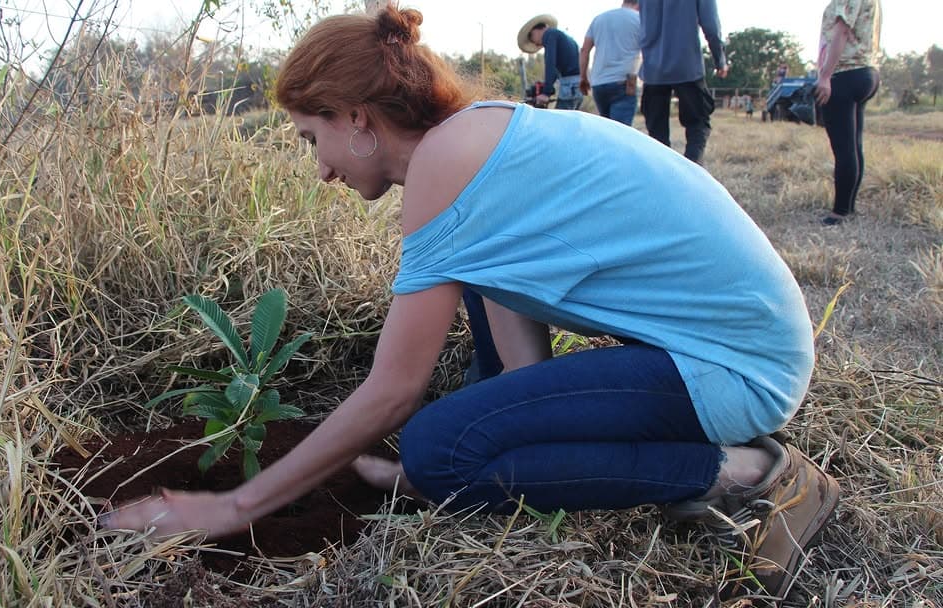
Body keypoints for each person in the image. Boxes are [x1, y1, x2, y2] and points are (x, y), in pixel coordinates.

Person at [101, 6, 840, 602]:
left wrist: (231, 507)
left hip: (738, 368)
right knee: (466, 426)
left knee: (436, 448)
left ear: (356, 118)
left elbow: (394, 391)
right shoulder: (472, 140)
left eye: (310, 138)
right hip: (732, 347)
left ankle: (746, 474)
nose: (319, 169)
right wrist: (498, 443)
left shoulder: (442, 167)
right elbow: (519, 358)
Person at [814, 0, 882, 226]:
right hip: (867, 70)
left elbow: (842, 30)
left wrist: (825, 75)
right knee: (854, 145)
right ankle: (848, 206)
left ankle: (840, 211)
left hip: (845, 72)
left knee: (843, 148)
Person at [638, 0, 729, 164]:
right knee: (698, 124)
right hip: (687, 65)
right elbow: (711, 25)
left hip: (653, 69)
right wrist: (720, 59)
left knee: (657, 135)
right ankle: (692, 169)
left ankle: (663, 172)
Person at [580, 0, 642, 126]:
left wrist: (583, 78)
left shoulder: (599, 19)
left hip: (599, 82)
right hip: (624, 81)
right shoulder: (639, 20)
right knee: (620, 130)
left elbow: (584, 50)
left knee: (607, 128)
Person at [517, 14, 583, 110]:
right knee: (570, 118)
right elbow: (556, 69)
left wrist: (546, 93)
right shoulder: (563, 36)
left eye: (531, 37)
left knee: (559, 119)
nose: (535, 43)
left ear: (536, 30)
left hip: (569, 87)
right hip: (578, 86)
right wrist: (547, 86)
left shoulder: (549, 35)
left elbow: (550, 64)